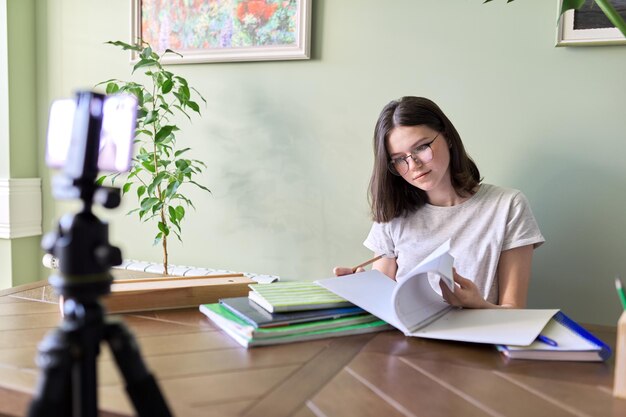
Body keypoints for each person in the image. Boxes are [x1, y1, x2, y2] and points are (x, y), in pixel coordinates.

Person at [333, 96, 544, 309]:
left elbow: (515, 312)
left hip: (478, 338)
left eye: (422, 147)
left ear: (447, 137)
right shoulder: (393, 214)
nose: (413, 164)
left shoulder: (508, 206)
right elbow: (382, 303)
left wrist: (478, 304)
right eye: (399, 158)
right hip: (406, 339)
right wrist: (360, 290)